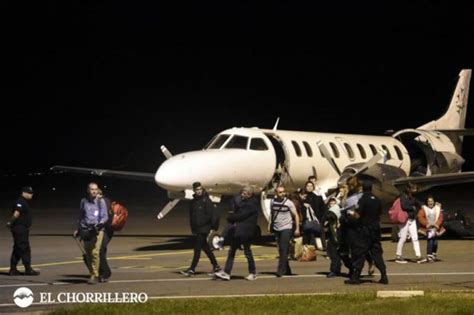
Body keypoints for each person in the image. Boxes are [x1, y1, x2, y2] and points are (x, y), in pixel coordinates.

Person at [345, 181, 388, 285]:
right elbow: (380, 214)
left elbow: (358, 215)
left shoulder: (363, 200)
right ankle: (384, 275)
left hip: (365, 230)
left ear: (363, 189)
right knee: (377, 253)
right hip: (375, 229)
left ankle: (355, 277)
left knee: (360, 253)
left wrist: (351, 214)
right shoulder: (377, 200)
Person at [215, 186, 259, 281]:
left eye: (244, 194)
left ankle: (253, 272)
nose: (242, 195)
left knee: (247, 252)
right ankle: (227, 272)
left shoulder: (251, 205)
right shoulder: (243, 203)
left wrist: (231, 217)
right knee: (232, 251)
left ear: (249, 195)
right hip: (239, 231)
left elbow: (240, 216)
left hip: (246, 232)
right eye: (242, 193)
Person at [180, 182, 221, 276]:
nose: (199, 191)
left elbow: (210, 215)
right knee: (206, 248)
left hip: (204, 228)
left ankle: (192, 269)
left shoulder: (206, 201)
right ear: (194, 190)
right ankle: (216, 266)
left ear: (202, 189)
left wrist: (208, 226)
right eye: (197, 190)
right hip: (197, 229)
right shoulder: (193, 202)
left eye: (200, 189)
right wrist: (193, 228)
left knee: (197, 249)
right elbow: (192, 216)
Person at [74, 182, 109, 284]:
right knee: (88, 254)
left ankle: (94, 275)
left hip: (97, 230)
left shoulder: (100, 201)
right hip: (85, 230)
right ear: (88, 190)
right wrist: (78, 229)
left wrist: (99, 225)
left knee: (95, 252)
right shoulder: (83, 201)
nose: (94, 191)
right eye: (92, 189)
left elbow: (105, 216)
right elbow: (81, 216)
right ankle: (94, 273)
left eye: (96, 189)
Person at [7, 186, 40, 276]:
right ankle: (28, 269)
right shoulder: (20, 202)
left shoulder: (23, 201)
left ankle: (13, 269)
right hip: (20, 228)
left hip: (21, 228)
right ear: (24, 193)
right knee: (24, 248)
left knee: (17, 249)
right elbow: (17, 212)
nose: (31, 195)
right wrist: (11, 221)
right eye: (30, 193)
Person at [269, 186, 300, 277]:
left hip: (286, 228)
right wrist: (270, 225)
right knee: (281, 250)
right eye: (280, 192)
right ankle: (287, 269)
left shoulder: (288, 203)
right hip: (277, 228)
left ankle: (280, 270)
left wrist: (297, 228)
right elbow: (272, 213)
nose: (282, 194)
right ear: (276, 193)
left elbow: (296, 215)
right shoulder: (272, 202)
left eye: (283, 192)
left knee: (283, 248)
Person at [395, 183, 423, 263]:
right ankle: (398, 255)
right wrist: (412, 207)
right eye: (411, 188)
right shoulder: (403, 197)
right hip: (405, 220)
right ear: (408, 189)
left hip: (412, 219)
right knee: (403, 238)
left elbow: (418, 202)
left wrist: (423, 205)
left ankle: (418, 256)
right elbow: (404, 206)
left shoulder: (411, 198)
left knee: (415, 238)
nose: (413, 190)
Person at [325, 197, 352, 278]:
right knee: (334, 256)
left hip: (342, 239)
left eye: (334, 203)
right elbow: (326, 219)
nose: (332, 204)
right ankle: (334, 270)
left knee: (344, 256)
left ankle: (352, 269)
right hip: (333, 238)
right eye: (330, 203)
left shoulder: (343, 216)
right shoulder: (328, 214)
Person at [418, 195, 446, 262]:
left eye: (431, 201)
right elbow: (420, 217)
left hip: (436, 228)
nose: (430, 203)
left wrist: (437, 225)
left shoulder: (437, 208)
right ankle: (429, 255)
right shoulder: (423, 209)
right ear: (427, 202)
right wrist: (427, 224)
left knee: (435, 242)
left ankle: (433, 254)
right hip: (428, 228)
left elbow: (440, 217)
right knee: (430, 239)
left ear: (434, 202)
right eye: (429, 201)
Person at [97, 188, 113, 282]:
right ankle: (101, 272)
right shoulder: (94, 203)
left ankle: (105, 272)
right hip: (100, 230)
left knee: (100, 250)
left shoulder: (104, 202)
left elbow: (105, 217)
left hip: (106, 230)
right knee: (100, 251)